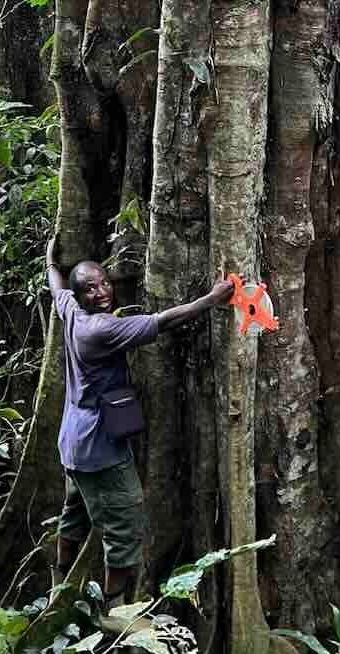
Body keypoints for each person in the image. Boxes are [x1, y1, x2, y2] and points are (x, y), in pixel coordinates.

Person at [45, 238, 234, 609]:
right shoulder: (98, 330)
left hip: (73, 442)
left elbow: (56, 285)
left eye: (104, 283)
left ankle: (58, 585)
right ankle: (114, 609)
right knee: (125, 522)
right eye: (90, 289)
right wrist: (212, 299)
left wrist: (51, 261)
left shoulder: (68, 309)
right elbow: (164, 321)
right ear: (80, 295)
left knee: (75, 513)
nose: (100, 293)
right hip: (100, 449)